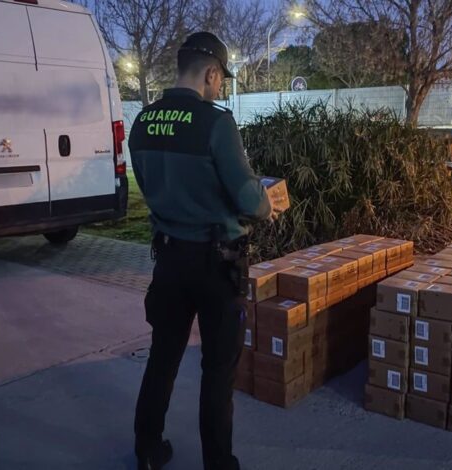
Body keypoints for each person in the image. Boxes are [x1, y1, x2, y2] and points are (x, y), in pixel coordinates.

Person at [129, 31, 283, 470]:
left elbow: (154, 184)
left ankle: (146, 451)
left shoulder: (142, 122)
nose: (220, 89)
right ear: (211, 73)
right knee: (217, 371)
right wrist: (264, 202)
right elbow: (250, 200)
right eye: (221, 80)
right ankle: (218, 463)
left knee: (163, 357)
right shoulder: (216, 123)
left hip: (169, 260)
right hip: (217, 266)